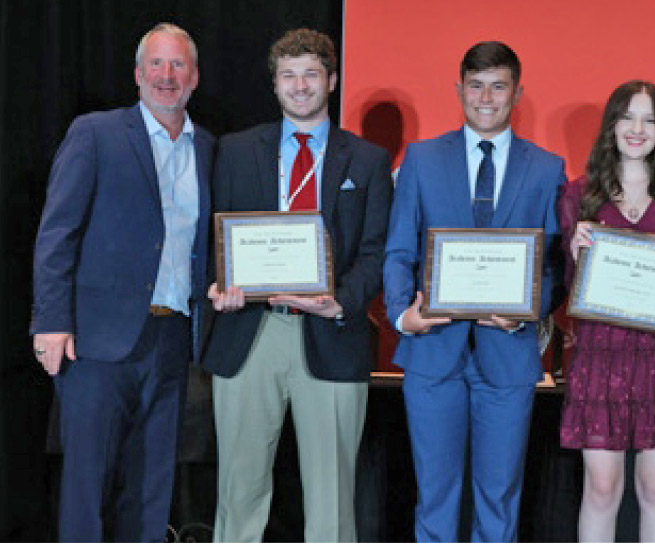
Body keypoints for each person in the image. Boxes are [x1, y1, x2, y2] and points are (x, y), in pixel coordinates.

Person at [202, 28, 393, 542]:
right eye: (289, 75)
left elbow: (377, 251)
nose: (300, 85)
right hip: (249, 331)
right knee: (238, 490)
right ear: (275, 84)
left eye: (311, 73)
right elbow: (211, 236)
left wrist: (340, 303)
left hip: (332, 333)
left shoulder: (369, 161)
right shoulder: (234, 151)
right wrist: (218, 286)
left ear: (330, 81)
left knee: (332, 498)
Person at [30, 23, 213, 541]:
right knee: (87, 483)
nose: (166, 75)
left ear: (194, 77)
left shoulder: (208, 149)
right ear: (137, 75)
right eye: (155, 63)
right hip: (95, 342)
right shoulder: (96, 133)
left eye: (178, 64)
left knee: (153, 482)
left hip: (172, 340)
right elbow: (56, 234)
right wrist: (50, 323)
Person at [383, 41, 566, 542]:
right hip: (431, 351)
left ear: (517, 93)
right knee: (435, 493)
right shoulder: (420, 159)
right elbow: (399, 248)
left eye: (498, 86)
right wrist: (402, 315)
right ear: (459, 89)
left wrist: (529, 309)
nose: (486, 97)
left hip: (507, 353)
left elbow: (553, 264)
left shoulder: (547, 168)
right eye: (476, 85)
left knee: (499, 493)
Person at [560, 81, 655, 542]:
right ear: (612, 126)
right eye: (628, 117)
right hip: (600, 355)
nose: (637, 129)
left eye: (649, 119)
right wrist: (575, 251)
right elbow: (567, 285)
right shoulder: (579, 195)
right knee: (601, 489)